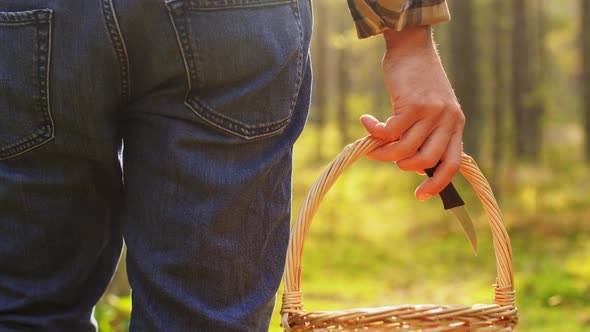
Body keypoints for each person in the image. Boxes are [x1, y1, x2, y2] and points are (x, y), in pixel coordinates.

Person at [0, 0, 463, 331]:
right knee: (205, 321)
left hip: (25, 22)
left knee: (24, 309)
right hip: (231, 22)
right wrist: (407, 35)